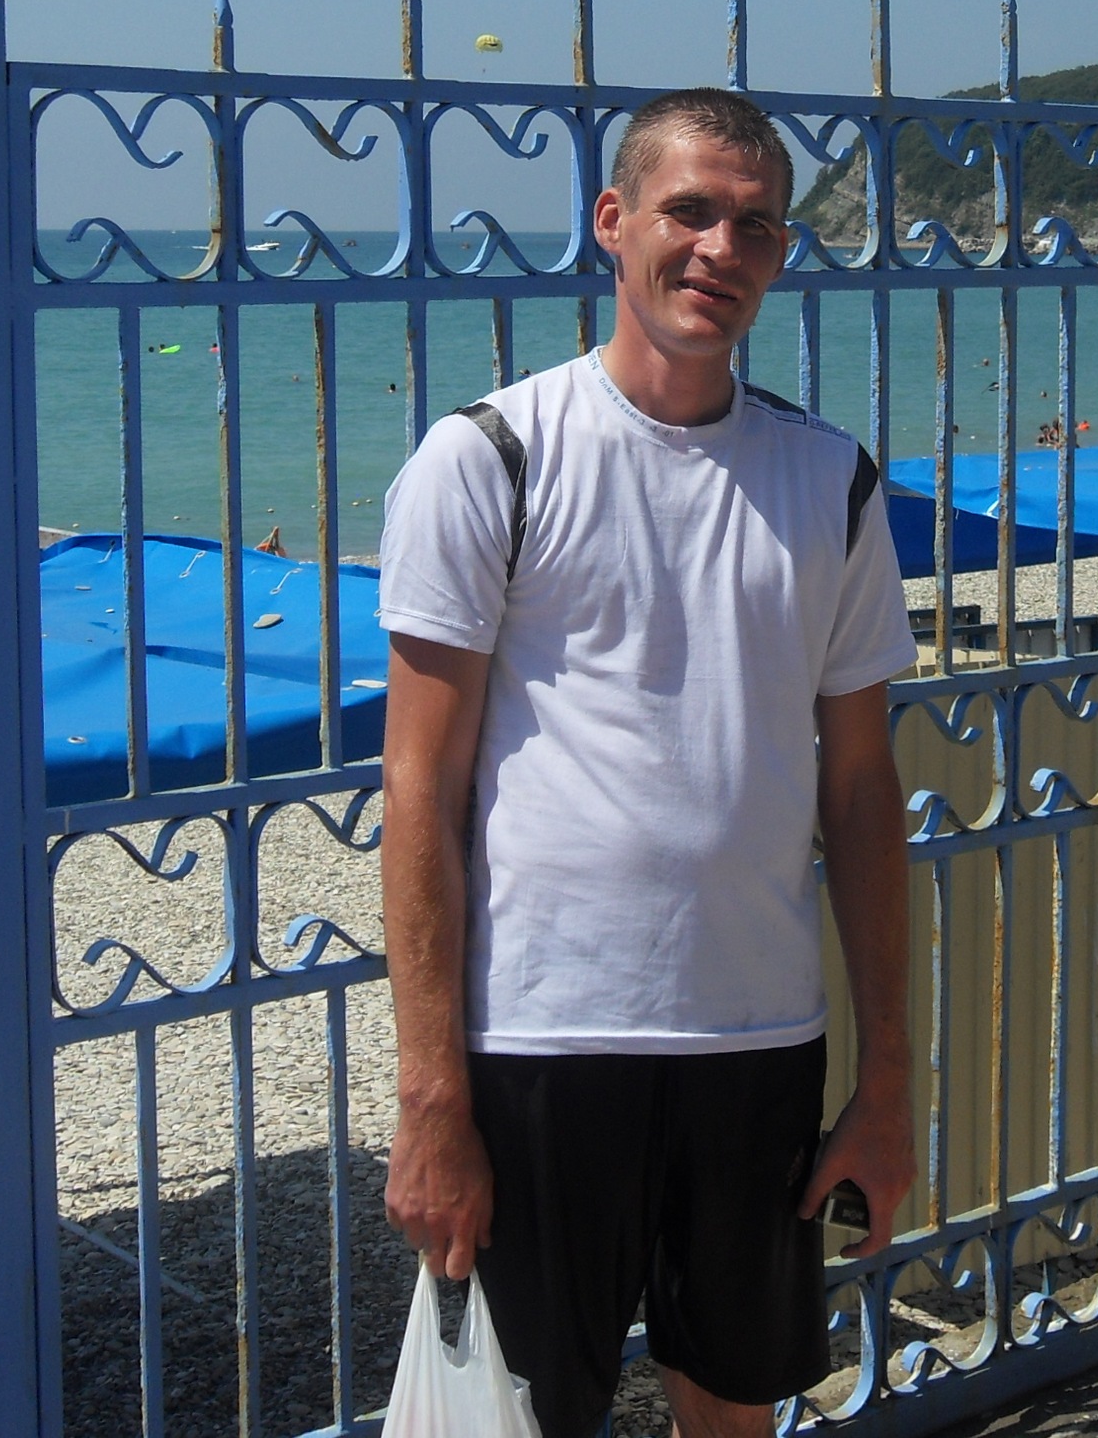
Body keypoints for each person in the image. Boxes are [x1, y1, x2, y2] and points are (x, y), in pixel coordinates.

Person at [375, 88, 919, 1438]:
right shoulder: (489, 458)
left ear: (781, 255)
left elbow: (862, 792)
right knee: (522, 1419)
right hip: (540, 1040)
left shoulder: (833, 482)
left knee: (734, 1412)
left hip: (760, 1040)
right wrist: (433, 1098)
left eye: (755, 225)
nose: (720, 249)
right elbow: (420, 792)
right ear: (614, 222)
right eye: (690, 212)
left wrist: (889, 1078)